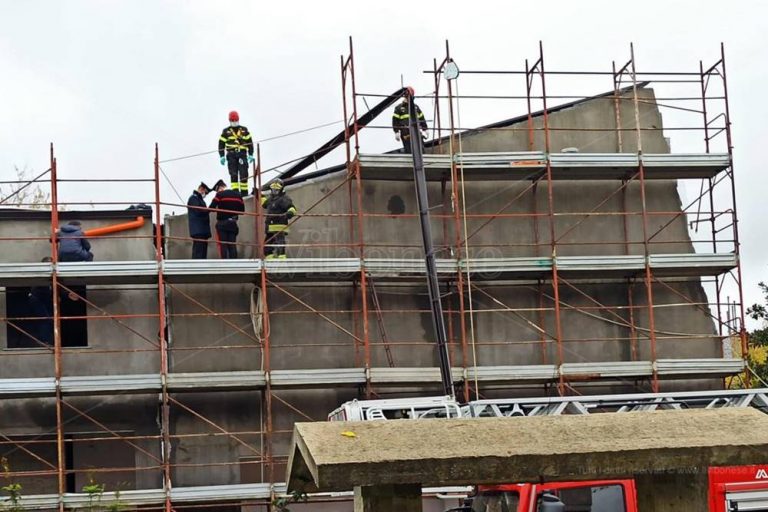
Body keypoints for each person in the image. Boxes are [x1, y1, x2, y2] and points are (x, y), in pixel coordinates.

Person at [218, 110, 254, 197]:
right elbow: (221, 144)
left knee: (243, 174)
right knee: (233, 174)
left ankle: (244, 194)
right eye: (232, 121)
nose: (234, 122)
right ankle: (236, 194)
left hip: (242, 154)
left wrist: (251, 154)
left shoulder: (244, 130)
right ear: (230, 121)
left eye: (235, 120)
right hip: (231, 155)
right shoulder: (226, 131)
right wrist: (222, 156)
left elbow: (250, 143)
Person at [260, 178, 296, 259]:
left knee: (280, 243)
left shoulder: (284, 198)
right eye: (273, 190)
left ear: (281, 190)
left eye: (276, 190)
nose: (274, 192)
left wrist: (290, 213)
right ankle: (271, 262)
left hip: (279, 225)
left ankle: (282, 260)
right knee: (266, 247)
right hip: (270, 227)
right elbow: (265, 204)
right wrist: (259, 195)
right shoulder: (271, 199)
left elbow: (291, 207)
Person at [209, 179, 245, 259]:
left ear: (220, 187)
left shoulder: (220, 195)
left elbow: (211, 208)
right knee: (232, 244)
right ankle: (234, 261)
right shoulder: (238, 195)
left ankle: (224, 261)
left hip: (222, 223)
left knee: (223, 244)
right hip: (233, 223)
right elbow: (242, 211)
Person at [392, 86, 428, 154]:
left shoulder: (416, 107)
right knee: (409, 151)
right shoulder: (399, 108)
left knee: (421, 151)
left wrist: (425, 129)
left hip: (416, 132)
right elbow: (395, 120)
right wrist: (396, 131)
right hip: (405, 133)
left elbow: (421, 118)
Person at [187, 181, 212, 259]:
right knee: (198, 251)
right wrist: (209, 209)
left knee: (203, 250)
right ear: (201, 189)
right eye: (205, 192)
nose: (205, 194)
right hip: (198, 229)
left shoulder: (199, 199)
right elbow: (199, 211)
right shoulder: (193, 198)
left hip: (202, 229)